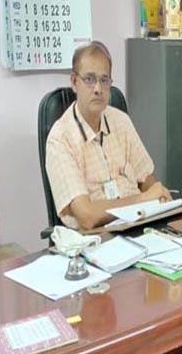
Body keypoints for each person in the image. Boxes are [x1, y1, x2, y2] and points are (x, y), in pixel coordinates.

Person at [45, 42, 172, 230]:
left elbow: (147, 179)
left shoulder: (121, 121)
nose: (98, 89)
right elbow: (87, 217)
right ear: (74, 82)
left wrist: (158, 198)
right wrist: (143, 199)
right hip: (96, 238)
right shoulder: (60, 139)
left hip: (139, 225)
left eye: (104, 80)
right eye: (89, 79)